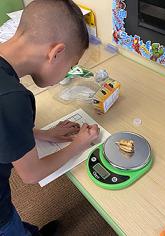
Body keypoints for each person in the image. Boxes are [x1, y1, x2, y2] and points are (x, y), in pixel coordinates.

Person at [0, 0, 100, 235]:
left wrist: (40, 134)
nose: (67, 72)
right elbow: (31, 174)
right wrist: (78, 144)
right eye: (71, 66)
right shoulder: (12, 98)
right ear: (56, 53)